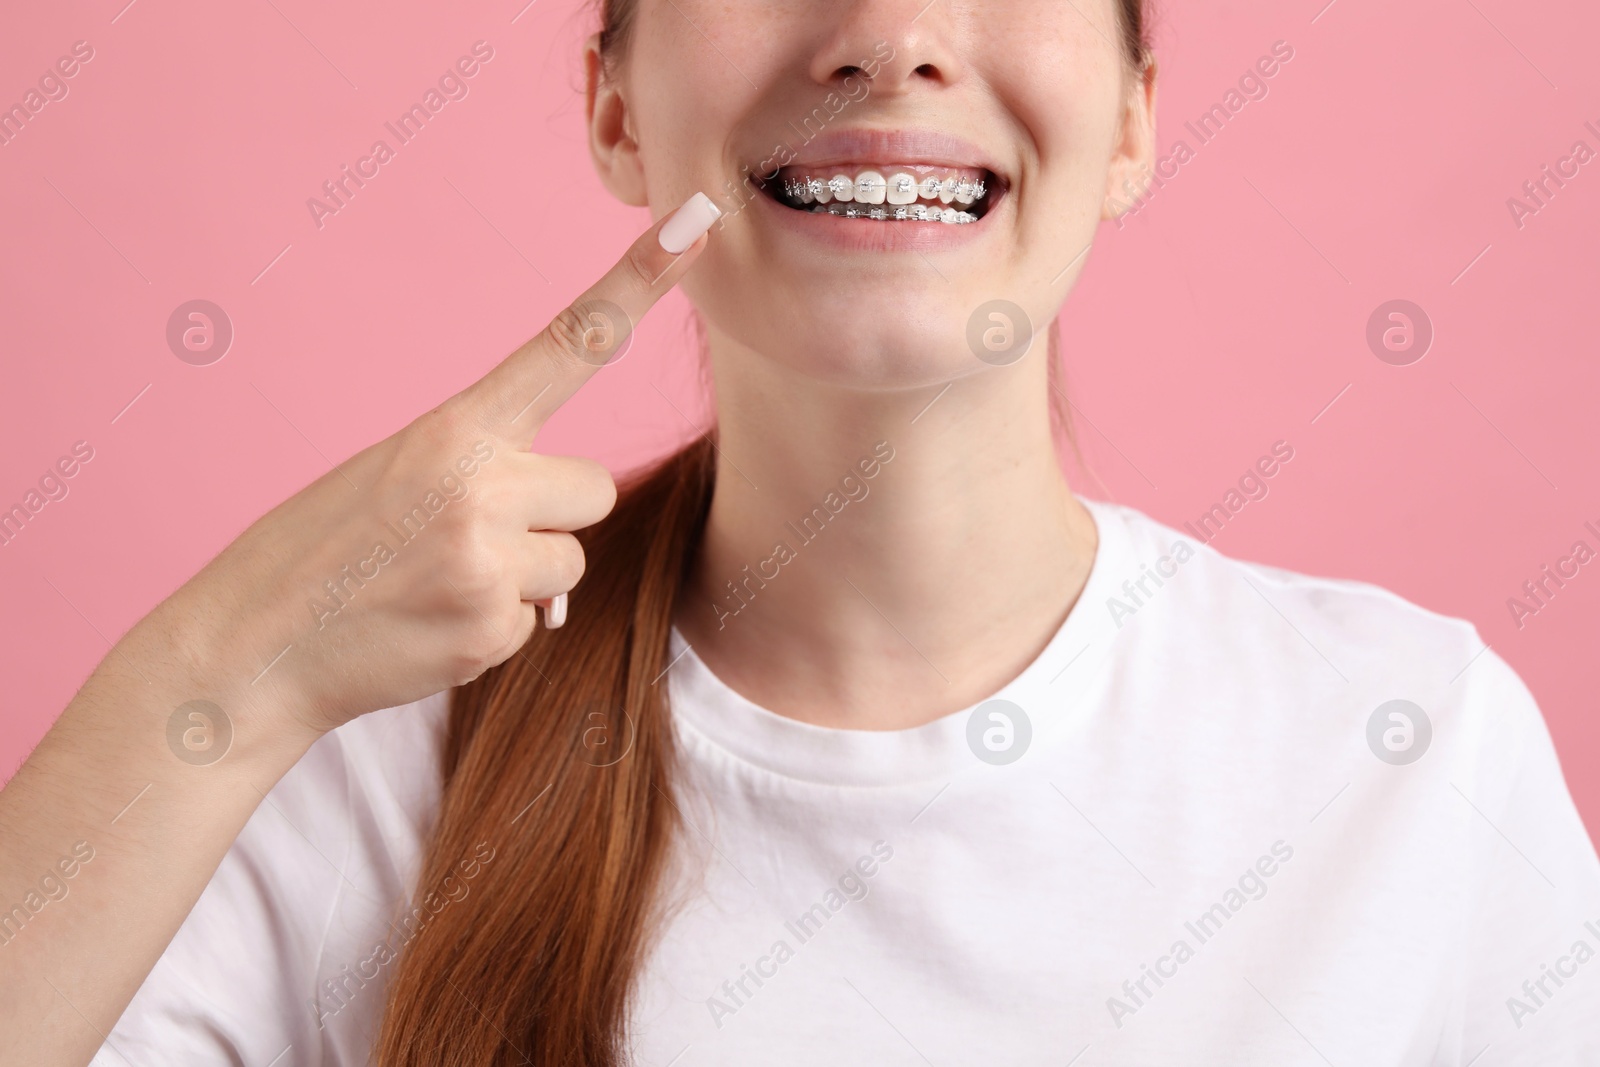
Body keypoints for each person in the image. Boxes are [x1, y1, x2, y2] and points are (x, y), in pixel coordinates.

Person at [4, 0, 1597, 1063]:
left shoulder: (1416, 757)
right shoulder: (344, 768)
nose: (889, 38)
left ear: (1131, 123)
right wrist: (214, 683)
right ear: (617, 107)